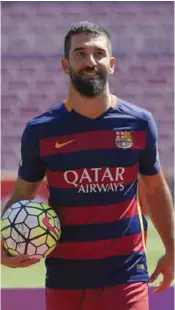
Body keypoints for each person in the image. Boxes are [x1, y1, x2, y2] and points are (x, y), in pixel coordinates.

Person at [1, 21, 174, 310]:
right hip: (65, 278)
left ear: (112, 63)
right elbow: (22, 195)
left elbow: (155, 189)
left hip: (126, 275)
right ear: (65, 65)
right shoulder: (41, 131)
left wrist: (171, 247)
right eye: (80, 54)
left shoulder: (139, 123)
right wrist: (2, 245)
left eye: (98, 53)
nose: (90, 61)